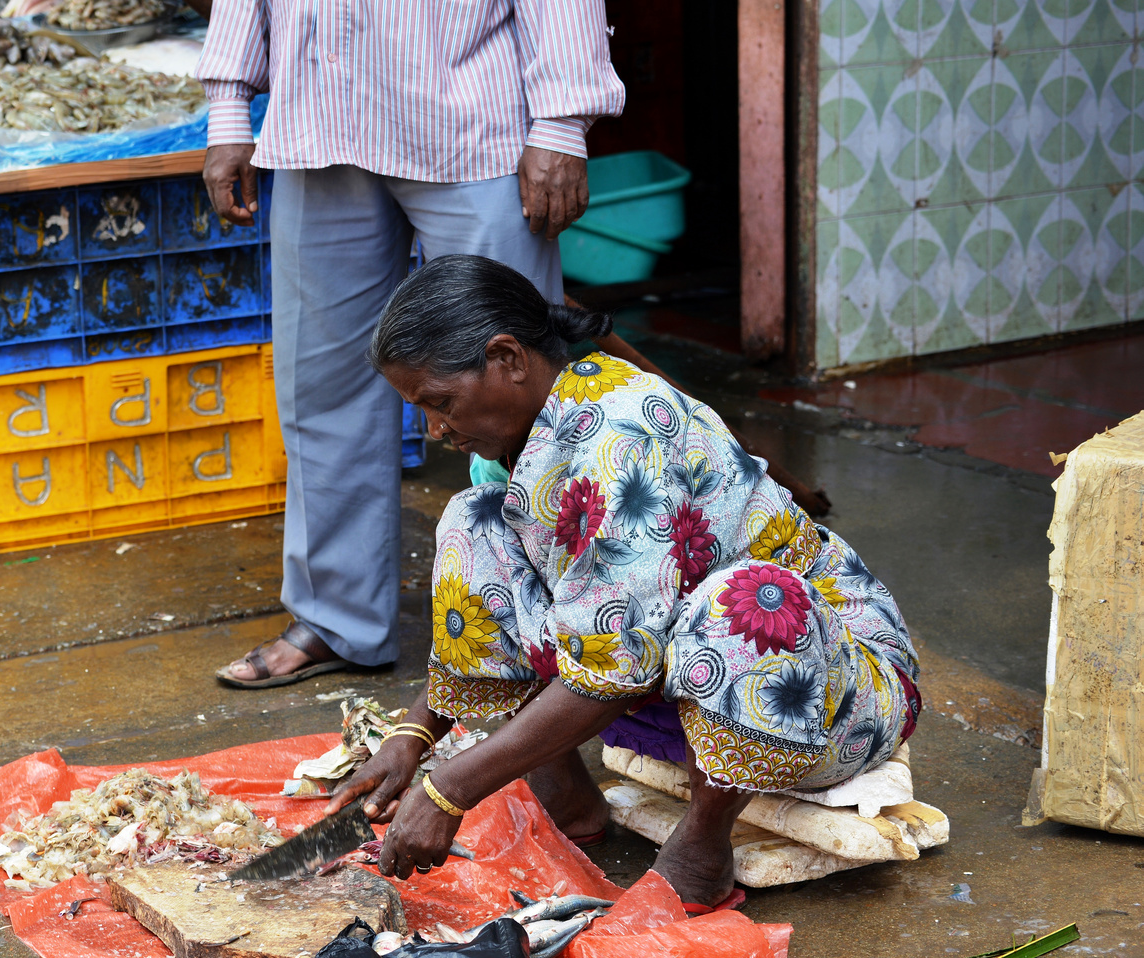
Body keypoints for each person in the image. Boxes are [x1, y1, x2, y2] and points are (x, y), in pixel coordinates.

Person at [328, 255, 921, 909]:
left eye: (440, 404)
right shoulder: (526, 439)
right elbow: (583, 623)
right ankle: (567, 798)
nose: (436, 430)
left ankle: (703, 844)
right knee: (476, 522)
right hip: (684, 689)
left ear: (507, 358)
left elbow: (616, 667)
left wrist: (449, 788)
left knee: (751, 602)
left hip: (829, 696)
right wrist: (414, 737)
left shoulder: (622, 437)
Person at [198, 0, 625, 688]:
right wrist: (228, 109)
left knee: (515, 383)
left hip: (471, 121)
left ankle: (566, 620)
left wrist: (562, 122)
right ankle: (336, 619)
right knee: (322, 383)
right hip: (320, 121)